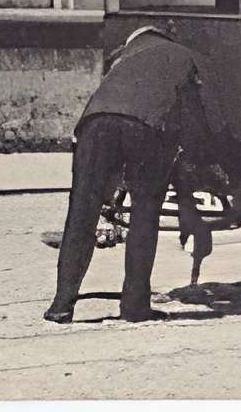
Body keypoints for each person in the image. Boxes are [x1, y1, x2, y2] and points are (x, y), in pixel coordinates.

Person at [47, 20, 222, 324]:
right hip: (146, 127)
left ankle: (61, 305)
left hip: (94, 123)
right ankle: (135, 305)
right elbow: (193, 116)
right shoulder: (184, 56)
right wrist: (205, 155)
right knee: (144, 213)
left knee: (81, 212)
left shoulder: (127, 55)